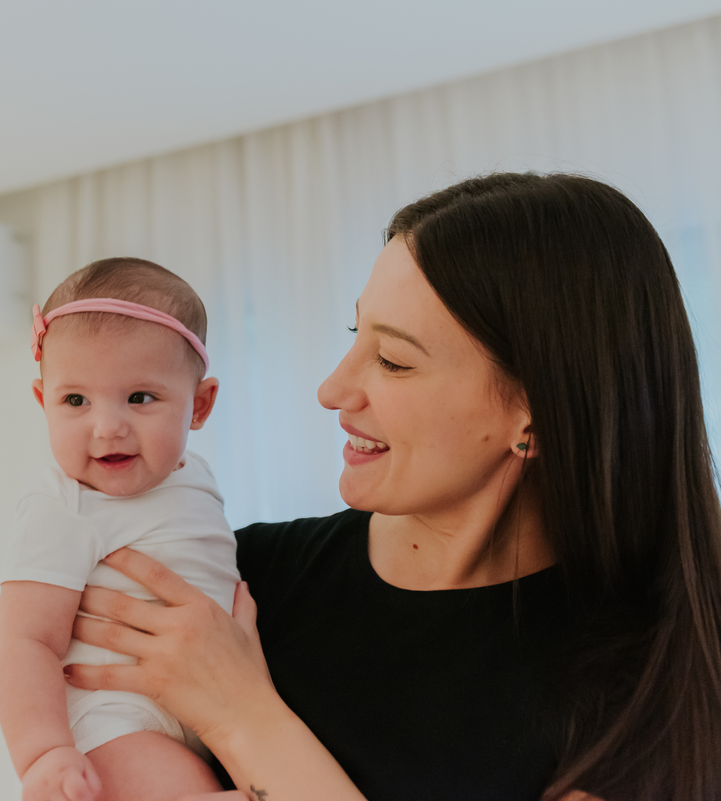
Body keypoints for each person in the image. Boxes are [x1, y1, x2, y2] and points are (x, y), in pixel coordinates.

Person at [64, 173, 721, 801]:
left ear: (535, 415)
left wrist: (242, 715)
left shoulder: (660, 674)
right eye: (357, 335)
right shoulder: (231, 579)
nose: (333, 389)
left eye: (394, 360)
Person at [0, 258, 245, 801]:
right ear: (44, 402)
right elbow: (26, 641)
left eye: (140, 398)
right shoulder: (61, 503)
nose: (107, 427)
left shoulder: (197, 477)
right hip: (115, 721)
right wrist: (43, 754)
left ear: (198, 405)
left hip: (209, 706)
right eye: (76, 400)